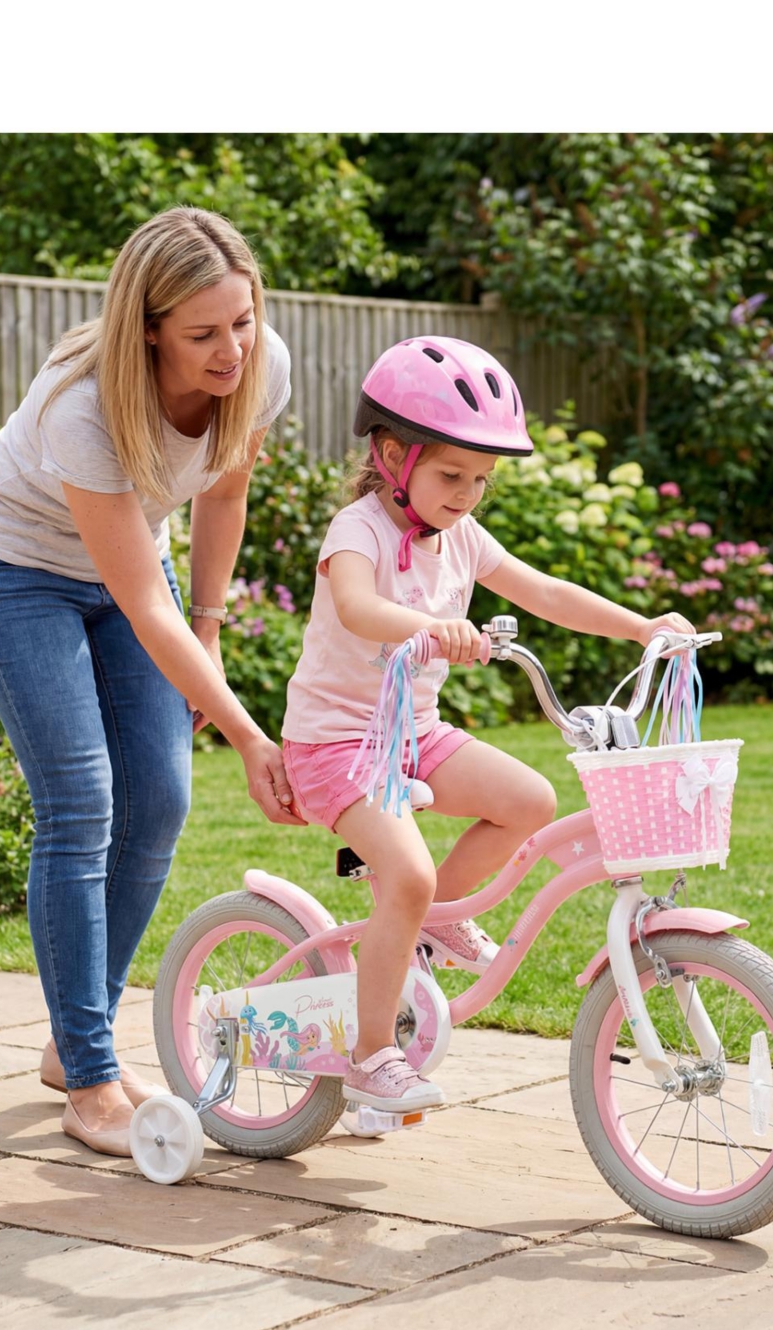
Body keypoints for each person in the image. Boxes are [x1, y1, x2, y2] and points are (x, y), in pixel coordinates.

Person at [0, 207, 304, 1157]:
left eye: (240, 320)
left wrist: (215, 634)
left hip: (128, 571)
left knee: (160, 797)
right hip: (16, 570)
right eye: (202, 334)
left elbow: (223, 492)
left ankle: (77, 1043)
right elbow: (147, 610)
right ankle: (93, 1077)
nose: (232, 349)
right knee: (80, 801)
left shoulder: (258, 362)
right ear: (148, 328)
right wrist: (249, 733)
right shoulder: (86, 407)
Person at [281, 336, 695, 1113]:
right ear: (393, 455)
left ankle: (426, 929)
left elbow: (545, 593)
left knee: (529, 799)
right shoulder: (357, 530)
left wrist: (643, 629)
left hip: (415, 732)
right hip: (336, 742)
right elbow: (358, 607)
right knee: (405, 874)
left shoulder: (462, 537)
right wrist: (430, 628)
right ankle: (372, 1055)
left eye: (482, 478)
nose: (469, 493)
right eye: (451, 475)